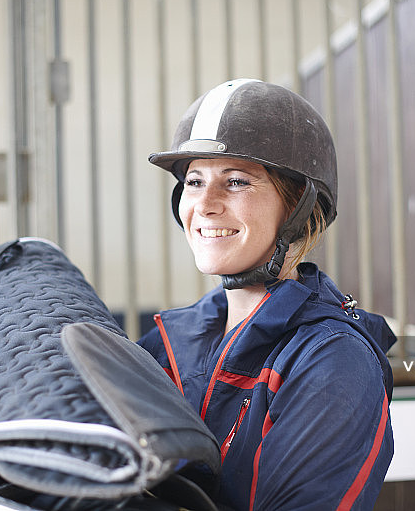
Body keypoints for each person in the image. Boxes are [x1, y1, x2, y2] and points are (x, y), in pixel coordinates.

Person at [138, 78, 396, 511]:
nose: (205, 204)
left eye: (236, 182)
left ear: (299, 208)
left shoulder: (334, 362)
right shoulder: (167, 342)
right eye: (195, 181)